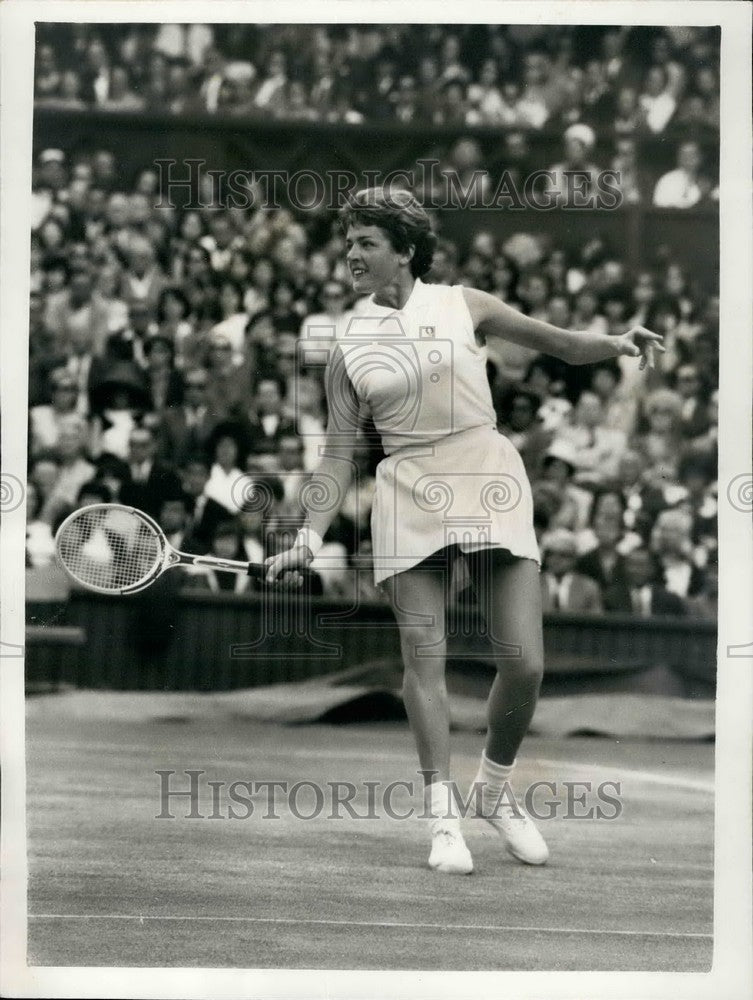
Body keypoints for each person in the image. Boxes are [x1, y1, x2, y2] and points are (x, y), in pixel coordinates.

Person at [227, 189, 667, 875]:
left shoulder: (465, 304)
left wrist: (615, 342)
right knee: (422, 657)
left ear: (404, 250)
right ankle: (442, 817)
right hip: (405, 489)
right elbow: (339, 454)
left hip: (485, 469)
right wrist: (309, 538)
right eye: (347, 242)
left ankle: (492, 788)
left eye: (365, 241)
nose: (350, 254)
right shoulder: (345, 340)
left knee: (524, 663)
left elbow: (558, 345)